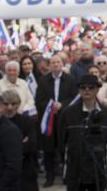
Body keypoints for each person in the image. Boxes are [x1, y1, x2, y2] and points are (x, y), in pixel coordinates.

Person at [58, 74, 107, 191]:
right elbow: (62, 141)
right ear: (79, 90)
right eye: (83, 87)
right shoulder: (68, 112)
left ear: (97, 89)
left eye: (91, 87)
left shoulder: (106, 113)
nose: (87, 90)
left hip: (98, 169)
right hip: (75, 170)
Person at [35, 53, 78, 188]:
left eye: (58, 62)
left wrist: (62, 105)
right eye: (53, 63)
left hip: (65, 119)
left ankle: (67, 175)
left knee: (65, 148)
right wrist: (50, 106)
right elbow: (39, 100)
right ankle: (49, 176)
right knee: (48, 150)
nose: (55, 65)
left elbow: (74, 98)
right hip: (49, 119)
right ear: (49, 65)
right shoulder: (43, 80)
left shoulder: (70, 79)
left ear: (62, 64)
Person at [2, 89, 39, 191]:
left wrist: (7, 148)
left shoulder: (27, 121)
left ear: (18, 104)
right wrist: (20, 144)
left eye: (13, 104)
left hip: (25, 170)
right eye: (6, 104)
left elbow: (32, 146)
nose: (9, 107)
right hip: (3, 172)